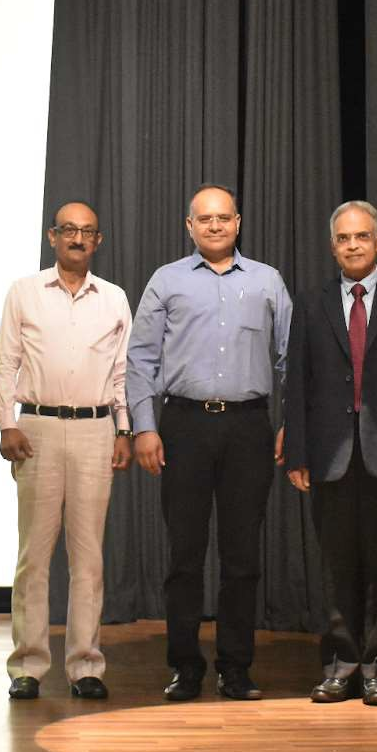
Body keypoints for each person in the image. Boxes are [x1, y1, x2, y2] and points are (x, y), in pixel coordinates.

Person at [127, 184, 293, 702]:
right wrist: (144, 426)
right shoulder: (166, 281)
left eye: (224, 218)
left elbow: (290, 358)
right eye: (205, 219)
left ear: (238, 222)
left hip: (249, 427)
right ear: (190, 225)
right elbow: (140, 359)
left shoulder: (267, 281)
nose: (215, 226)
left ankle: (236, 668)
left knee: (243, 556)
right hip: (184, 425)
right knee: (184, 555)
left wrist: (290, 423)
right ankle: (185, 667)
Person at [283, 201, 377, 706]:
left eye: (362, 237)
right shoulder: (312, 301)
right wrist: (297, 451)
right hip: (330, 455)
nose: (352, 245)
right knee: (336, 566)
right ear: (332, 246)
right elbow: (297, 382)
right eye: (343, 238)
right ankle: (340, 664)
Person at [0, 201, 133, 703]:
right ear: (52, 237)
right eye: (69, 230)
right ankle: (27, 665)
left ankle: (85, 666)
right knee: (34, 554)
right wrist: (6, 422)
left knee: (89, 555)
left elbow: (122, 373)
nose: (78, 238)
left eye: (87, 231)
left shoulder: (114, 299)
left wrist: (124, 430)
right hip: (36, 428)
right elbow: (6, 363)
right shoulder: (24, 292)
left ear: (98, 242)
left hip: (96, 431)